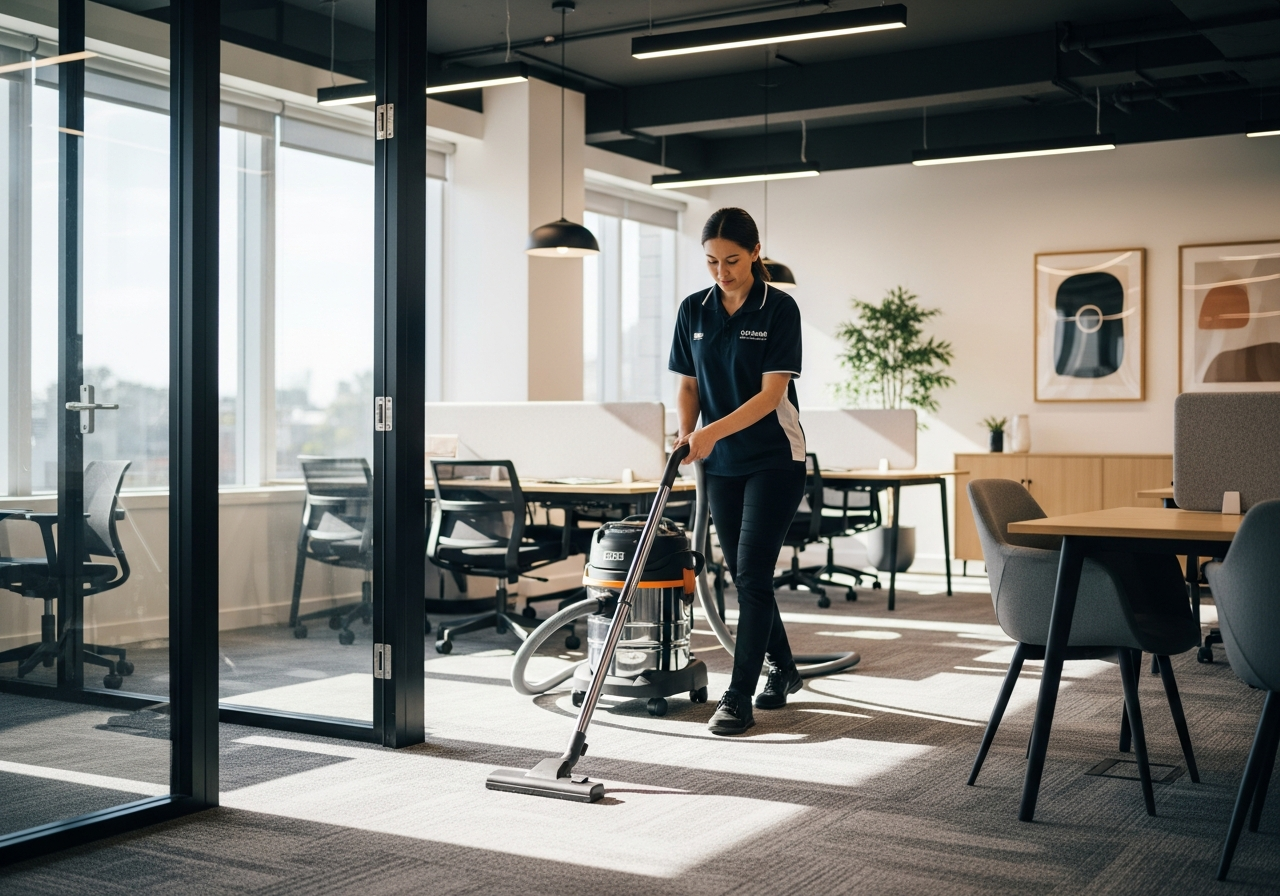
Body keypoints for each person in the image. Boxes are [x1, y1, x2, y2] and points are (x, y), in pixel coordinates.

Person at [669, 207, 807, 736]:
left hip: (775, 457)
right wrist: (688, 433)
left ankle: (738, 695)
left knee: (751, 574)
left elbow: (772, 395)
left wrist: (709, 434)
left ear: (755, 253)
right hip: (720, 463)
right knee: (743, 576)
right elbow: (688, 384)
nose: (722, 272)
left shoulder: (780, 309)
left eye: (731, 260)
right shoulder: (694, 310)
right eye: (711, 262)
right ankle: (785, 669)